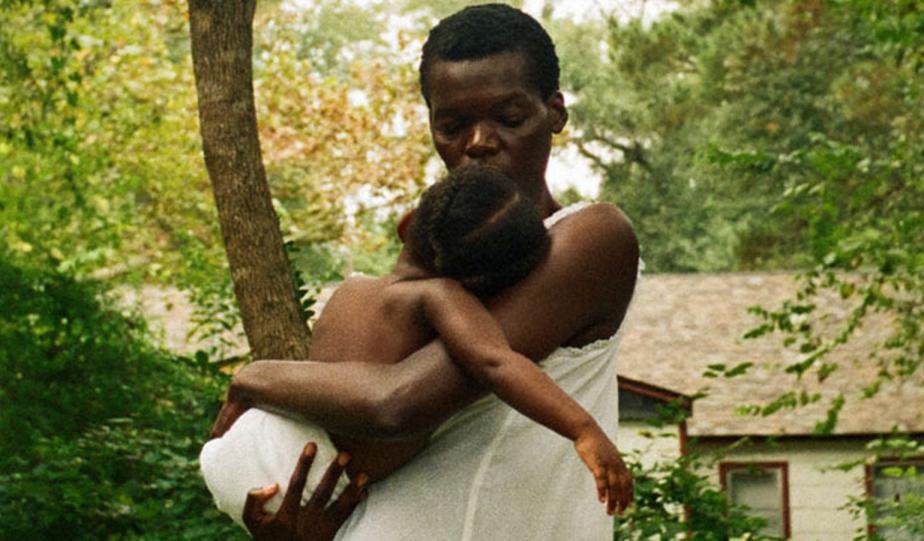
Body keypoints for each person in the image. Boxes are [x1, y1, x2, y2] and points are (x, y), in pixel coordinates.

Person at [212, 4, 641, 540]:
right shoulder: (421, 283)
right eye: (452, 125)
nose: (479, 142)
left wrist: (257, 376)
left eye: (508, 118)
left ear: (555, 112)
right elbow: (343, 456)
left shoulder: (590, 238)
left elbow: (395, 403)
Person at [200, 165, 632, 530]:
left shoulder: (348, 292)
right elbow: (496, 360)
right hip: (303, 478)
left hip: (244, 446)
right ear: (483, 288)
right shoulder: (437, 296)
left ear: (407, 224)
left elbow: (324, 379)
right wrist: (583, 429)